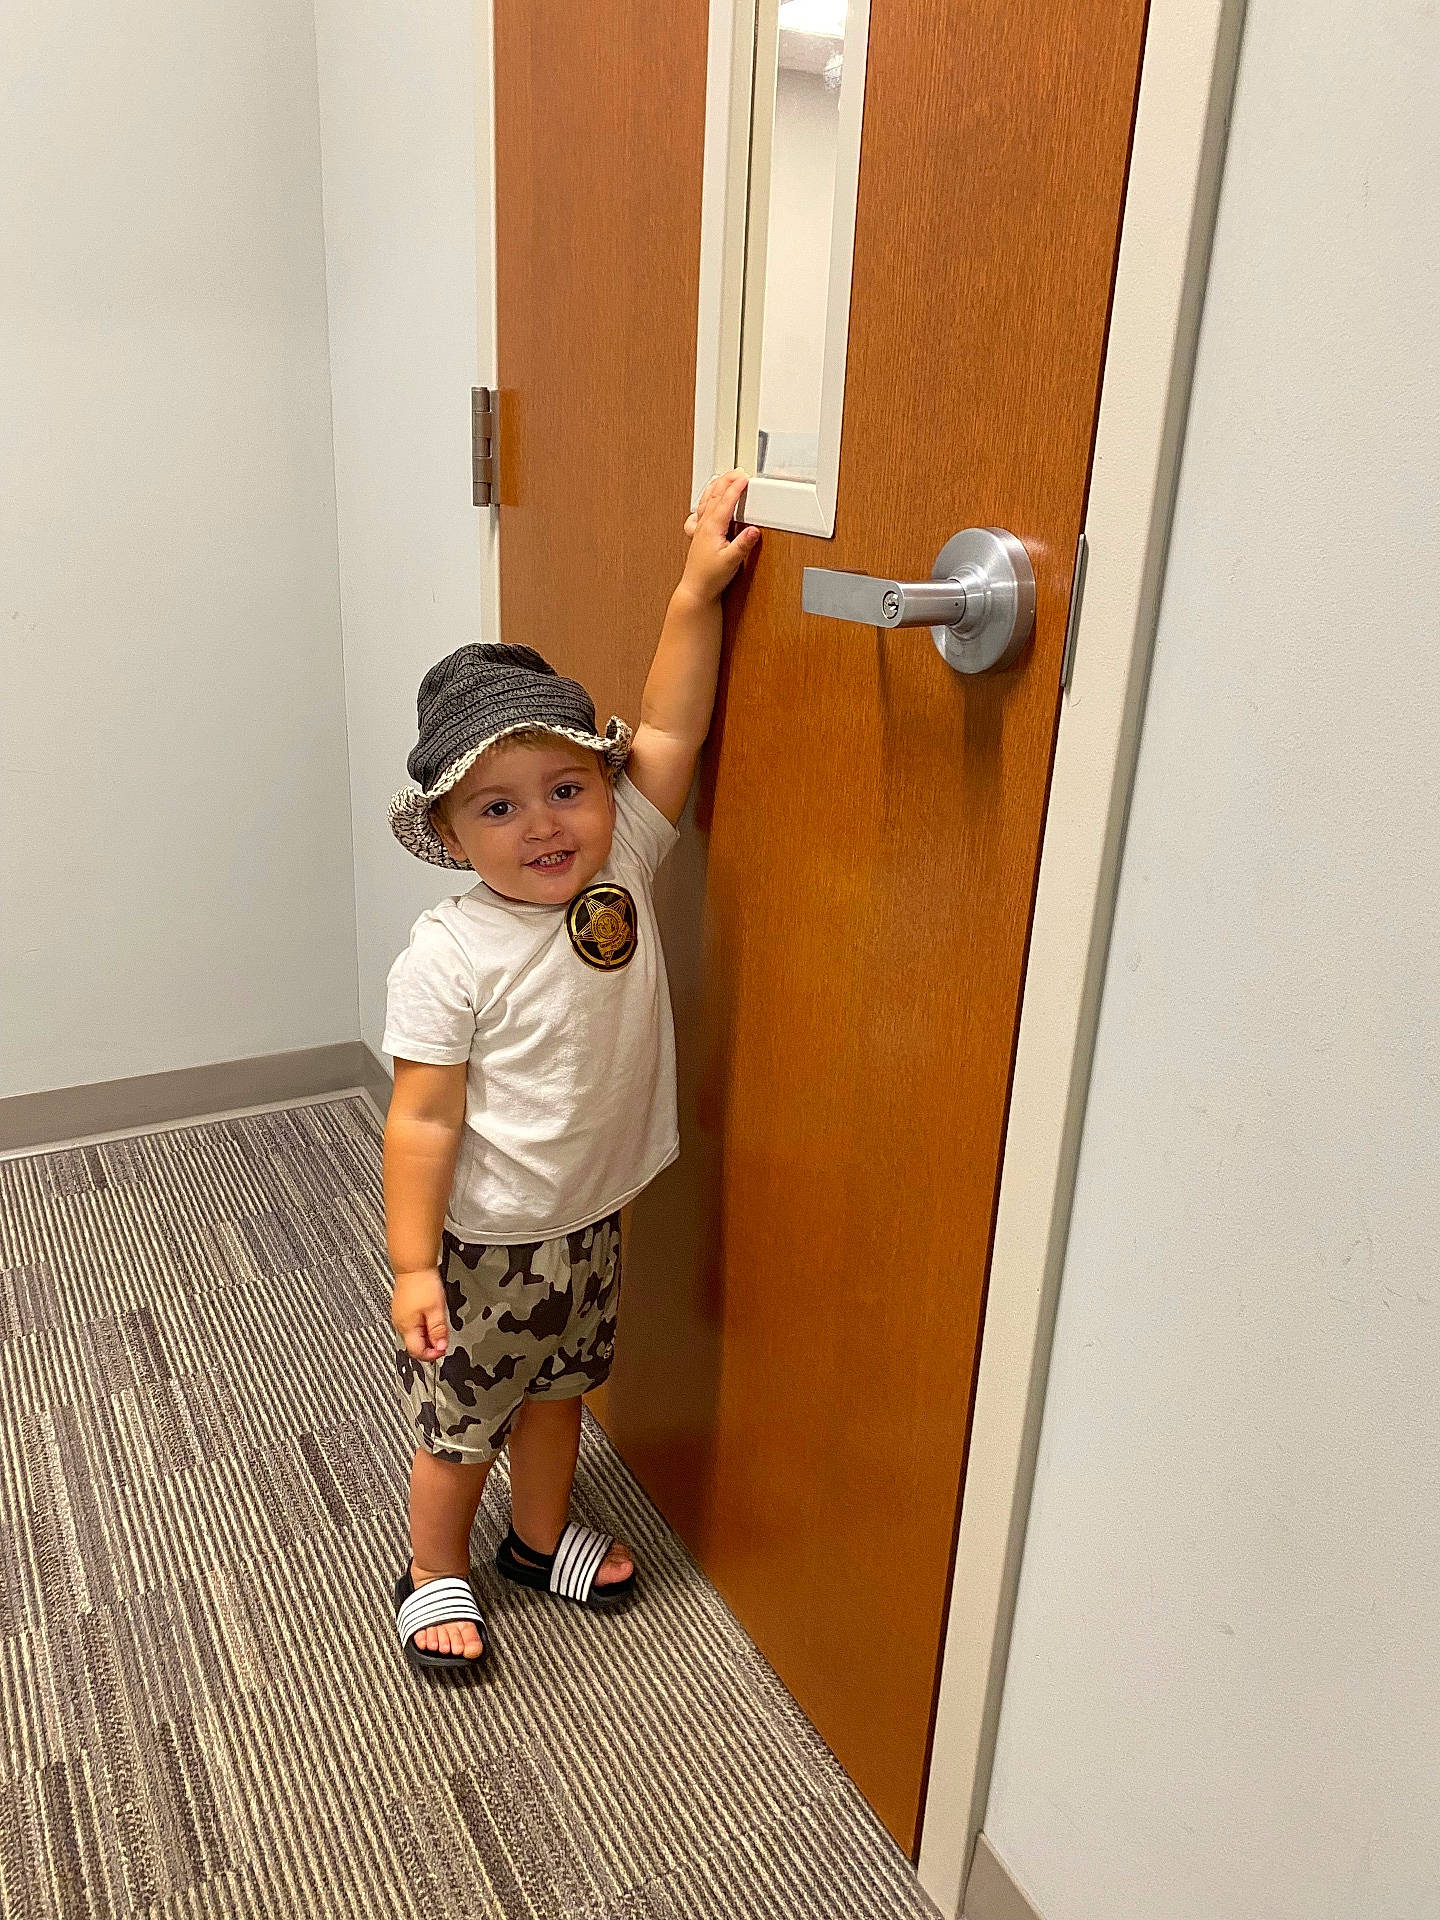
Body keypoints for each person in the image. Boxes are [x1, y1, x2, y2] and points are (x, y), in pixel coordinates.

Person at [381, 470, 759, 1669]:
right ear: (447, 836)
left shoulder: (622, 866)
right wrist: (409, 1265)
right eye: (496, 809)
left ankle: (537, 1542)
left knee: (561, 1394)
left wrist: (696, 587)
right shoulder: (447, 955)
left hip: (593, 1211)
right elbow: (424, 1121)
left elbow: (675, 723)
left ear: (603, 787)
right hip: (490, 1240)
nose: (542, 825)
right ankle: (433, 1568)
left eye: (564, 788)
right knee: (465, 1423)